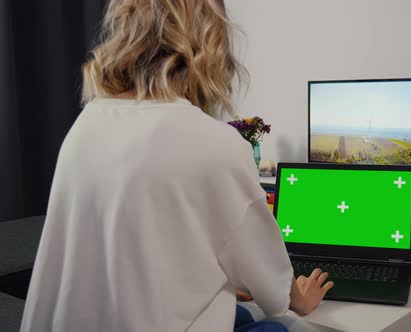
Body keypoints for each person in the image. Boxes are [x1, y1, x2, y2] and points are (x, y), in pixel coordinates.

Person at [19, 0, 333, 331]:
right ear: (211, 41)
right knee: (280, 326)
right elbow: (271, 284)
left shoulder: (89, 122)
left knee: (238, 313)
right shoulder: (217, 144)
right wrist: (299, 298)